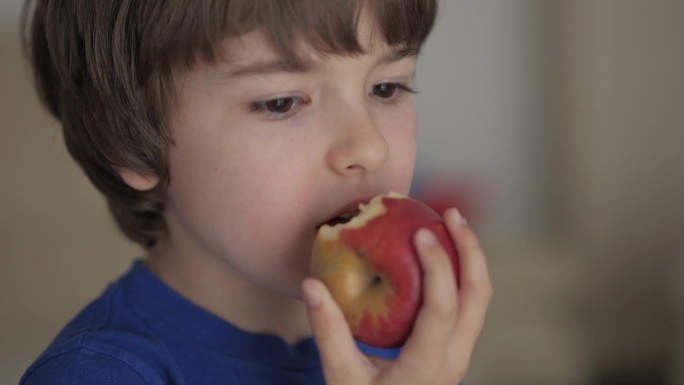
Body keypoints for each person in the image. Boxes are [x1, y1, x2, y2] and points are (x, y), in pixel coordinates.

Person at [20, 0, 492, 384]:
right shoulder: (97, 374)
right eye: (282, 102)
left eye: (386, 87)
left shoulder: (398, 349)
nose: (369, 146)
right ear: (130, 142)